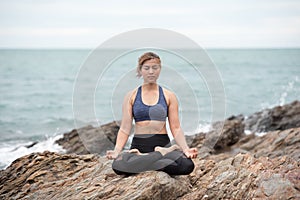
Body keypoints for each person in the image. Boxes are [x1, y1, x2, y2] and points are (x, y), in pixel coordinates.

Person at [106, 52, 198, 175]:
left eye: (155, 68)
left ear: (160, 69)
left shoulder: (169, 96)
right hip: (138, 146)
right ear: (140, 70)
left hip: (163, 144)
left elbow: (175, 127)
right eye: (147, 68)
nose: (151, 72)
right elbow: (125, 128)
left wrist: (186, 149)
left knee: (187, 165)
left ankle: (148, 160)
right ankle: (159, 155)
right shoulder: (131, 96)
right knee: (118, 165)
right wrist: (117, 150)